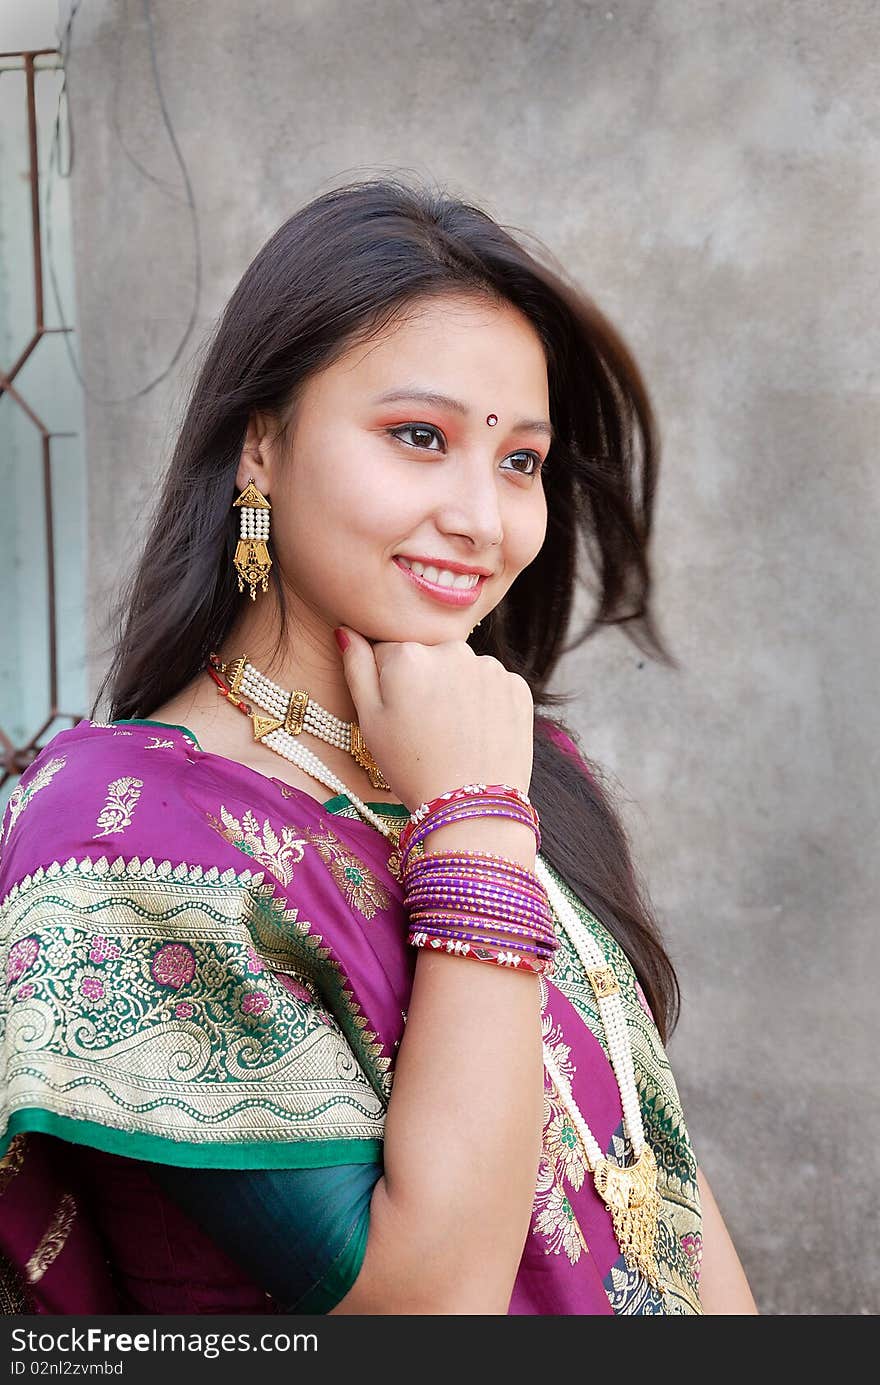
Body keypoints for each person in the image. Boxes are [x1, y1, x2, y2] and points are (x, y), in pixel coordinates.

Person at [0, 178, 757, 1316]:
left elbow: (662, 1192)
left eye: (519, 461)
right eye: (419, 436)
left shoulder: (522, 766)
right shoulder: (118, 831)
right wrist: (474, 824)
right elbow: (425, 1304)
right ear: (260, 446)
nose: (483, 517)